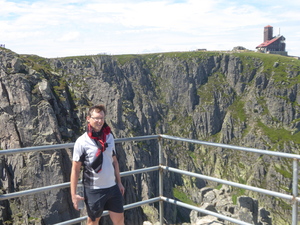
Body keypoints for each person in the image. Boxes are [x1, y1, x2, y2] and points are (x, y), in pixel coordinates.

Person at [70, 104, 125, 225]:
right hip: (94, 190)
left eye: (102, 118)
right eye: (96, 118)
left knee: (120, 220)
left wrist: (119, 182)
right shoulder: (82, 142)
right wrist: (73, 195)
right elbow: (75, 170)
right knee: (93, 222)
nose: (99, 121)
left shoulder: (109, 137)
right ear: (88, 118)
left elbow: (114, 161)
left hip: (112, 187)